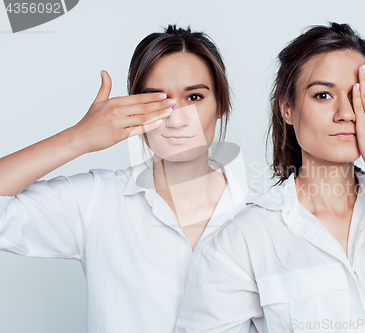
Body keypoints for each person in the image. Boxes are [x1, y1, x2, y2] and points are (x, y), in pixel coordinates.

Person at [175, 22, 365, 333]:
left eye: (357, 95)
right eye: (323, 95)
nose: (346, 112)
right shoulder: (243, 239)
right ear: (287, 108)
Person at [0, 25, 255, 333]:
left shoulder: (262, 216)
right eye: (157, 100)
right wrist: (78, 139)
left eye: (195, 97)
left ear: (220, 107)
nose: (176, 118)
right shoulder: (98, 200)